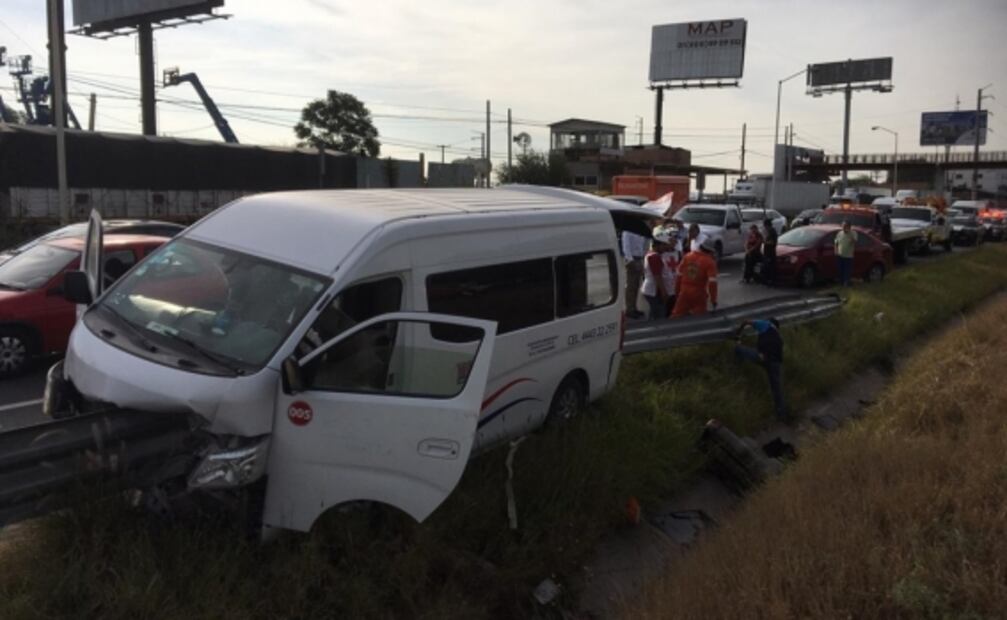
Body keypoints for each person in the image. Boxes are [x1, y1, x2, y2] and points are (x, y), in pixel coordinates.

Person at [734, 318, 788, 422]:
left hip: (763, 358)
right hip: (775, 364)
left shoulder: (765, 324)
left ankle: (736, 369)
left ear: (770, 323)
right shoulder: (779, 337)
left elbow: (746, 321)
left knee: (738, 349)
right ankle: (782, 415)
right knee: (777, 390)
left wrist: (738, 333)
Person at [671, 234, 718, 317]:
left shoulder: (687, 256)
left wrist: (677, 292)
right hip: (699, 294)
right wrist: (713, 300)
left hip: (684, 291)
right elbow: (712, 283)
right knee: (699, 319)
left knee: (676, 316)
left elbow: (679, 276)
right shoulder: (710, 262)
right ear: (711, 251)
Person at [641, 227, 681, 320]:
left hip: (650, 290)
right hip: (653, 291)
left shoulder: (652, 254)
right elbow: (657, 277)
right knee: (659, 315)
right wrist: (664, 293)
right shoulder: (655, 257)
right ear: (658, 245)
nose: (665, 247)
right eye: (664, 245)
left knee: (654, 314)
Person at [621, 228, 648, 319]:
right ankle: (629, 309)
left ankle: (634, 307)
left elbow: (644, 246)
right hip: (632, 259)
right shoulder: (628, 231)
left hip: (639, 258)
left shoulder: (640, 232)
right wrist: (630, 260)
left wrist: (643, 259)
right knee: (631, 285)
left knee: (637, 285)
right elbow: (626, 247)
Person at [834, 219, 858, 286]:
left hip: (848, 256)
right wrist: (835, 251)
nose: (844, 227)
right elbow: (836, 243)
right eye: (843, 226)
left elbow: (854, 241)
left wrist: (849, 234)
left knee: (847, 271)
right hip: (840, 255)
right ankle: (841, 282)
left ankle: (846, 283)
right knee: (840, 270)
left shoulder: (853, 233)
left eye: (845, 226)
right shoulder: (839, 233)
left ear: (849, 227)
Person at [761, 219, 778, 286]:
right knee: (767, 267)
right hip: (767, 252)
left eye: (765, 226)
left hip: (770, 252)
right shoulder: (769, 231)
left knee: (770, 267)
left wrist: (765, 242)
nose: (765, 227)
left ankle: (772, 281)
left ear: (767, 225)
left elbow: (773, 242)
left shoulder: (772, 231)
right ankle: (767, 280)